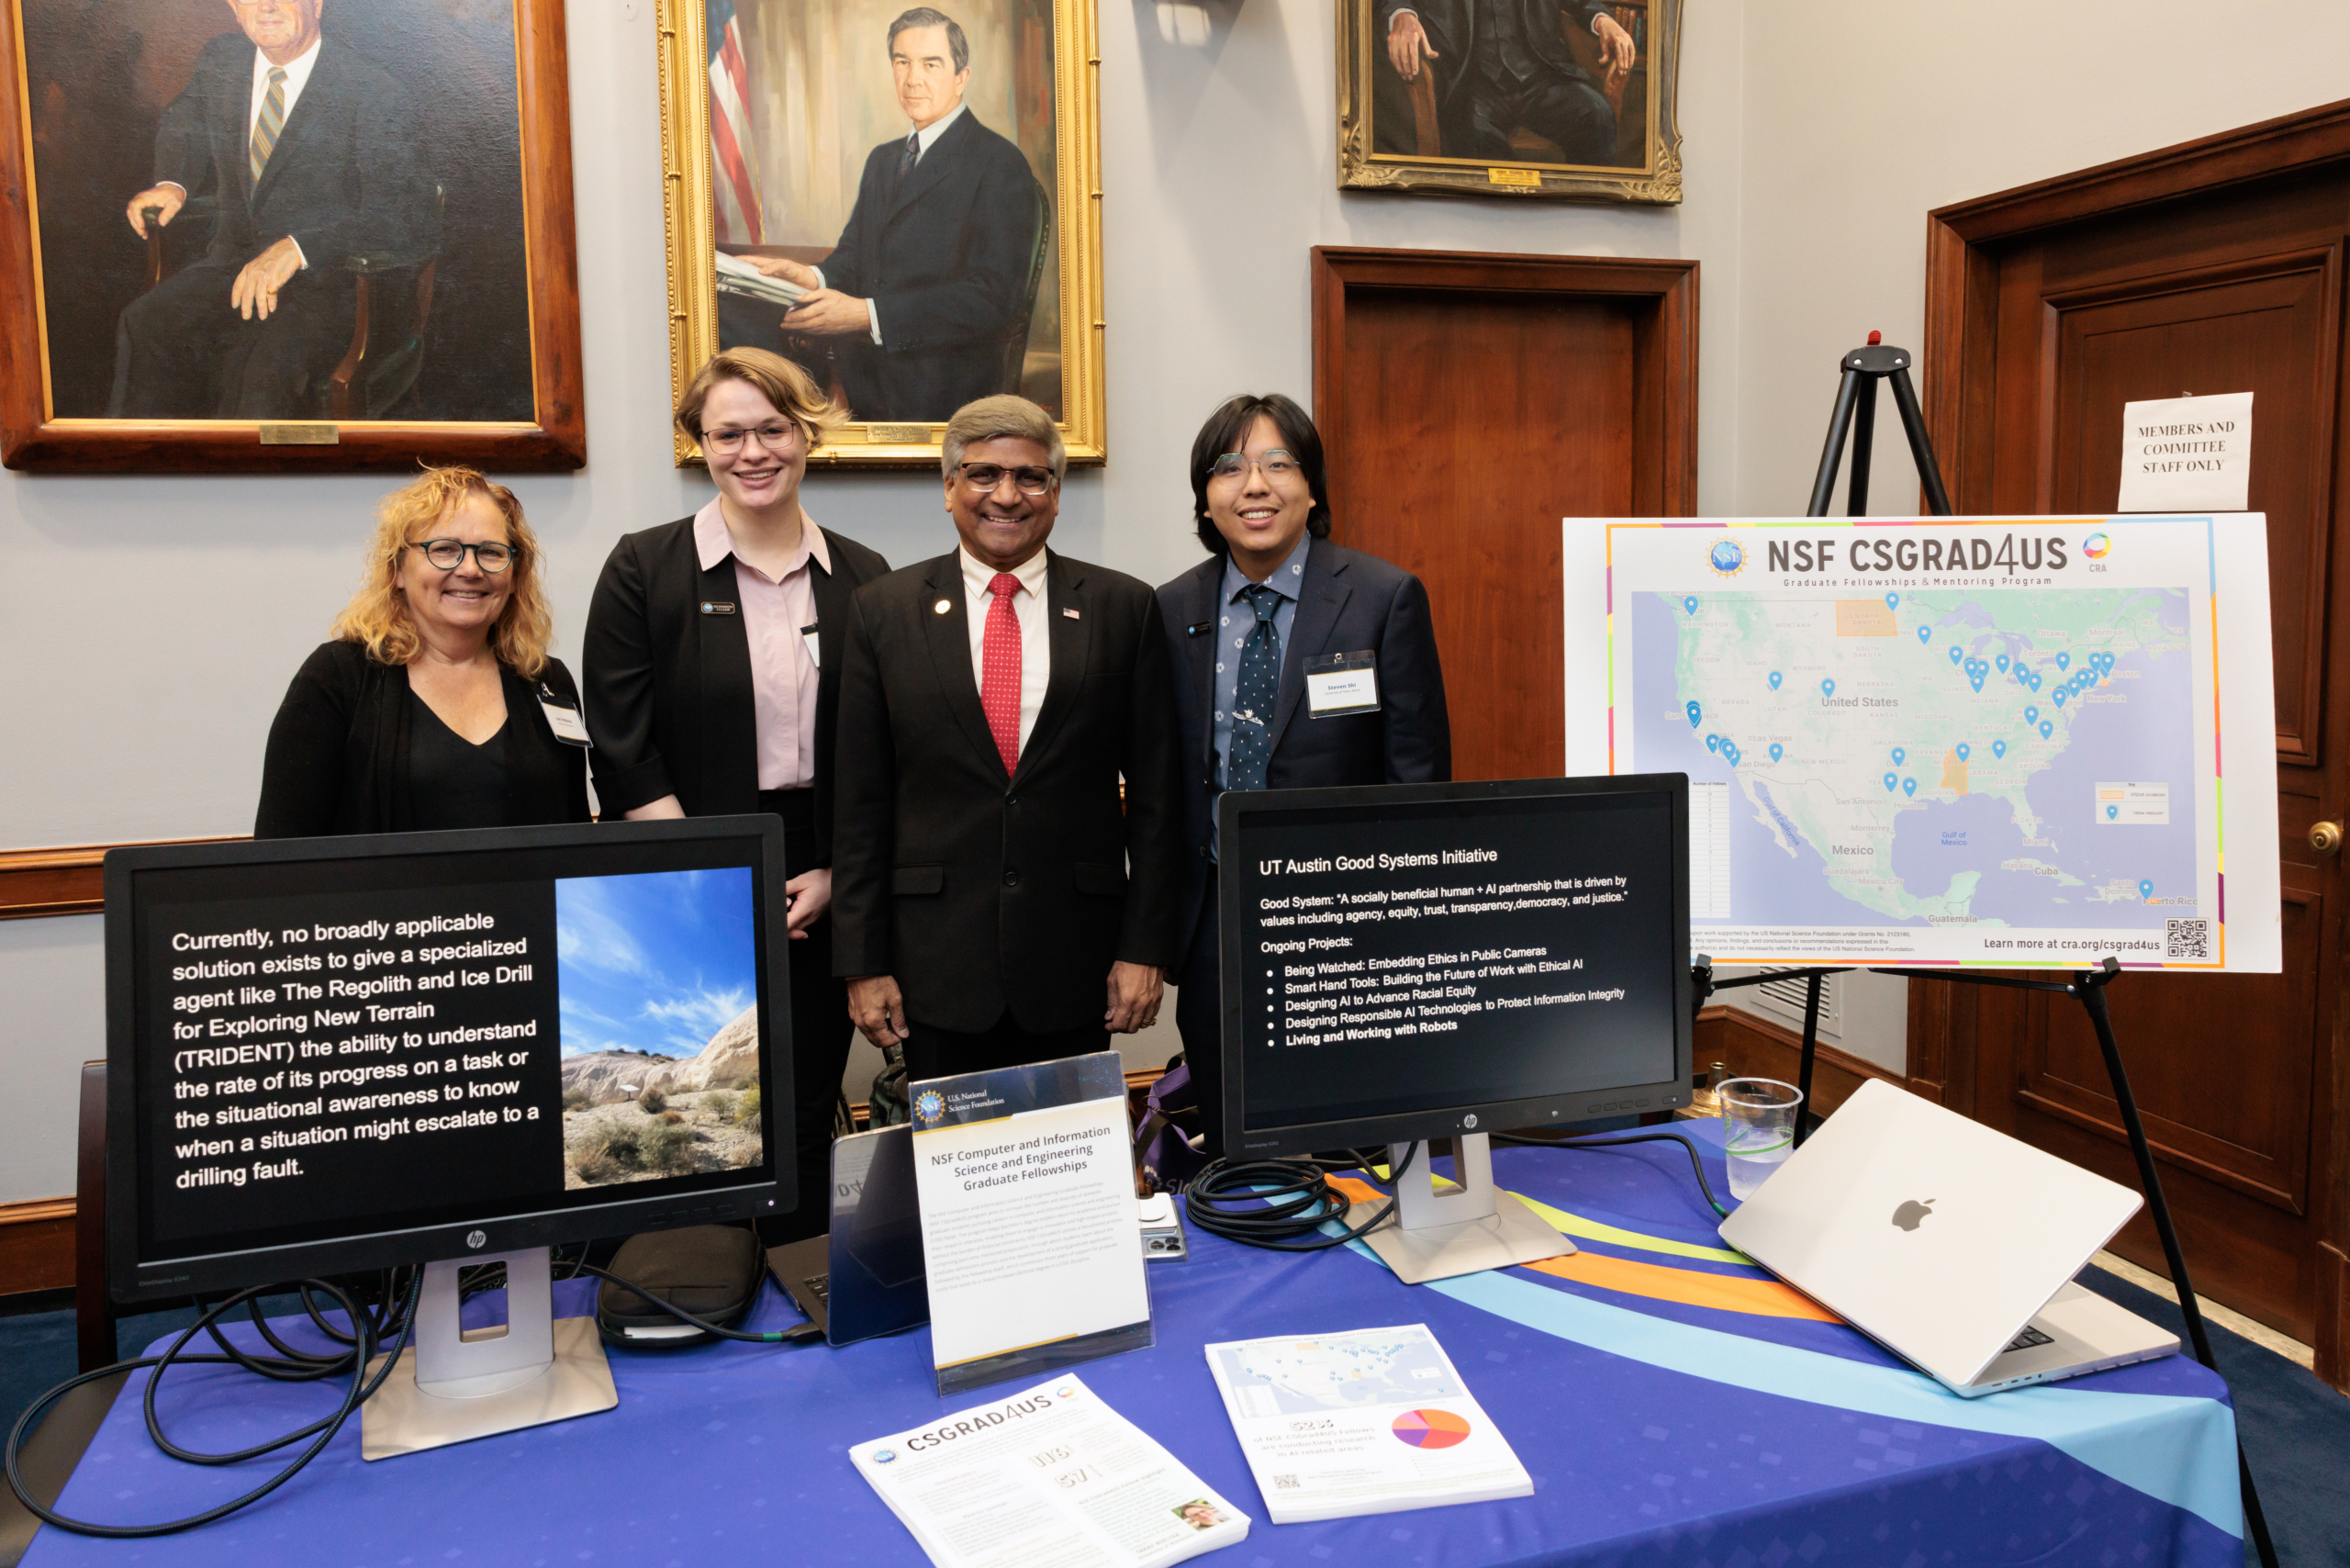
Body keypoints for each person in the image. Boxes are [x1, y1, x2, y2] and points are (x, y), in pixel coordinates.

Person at [582, 348, 891, 1244]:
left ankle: (795, 1284)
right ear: (700, 444)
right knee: (707, 1112)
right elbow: (621, 741)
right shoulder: (645, 568)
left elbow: (888, 747)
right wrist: (719, 878)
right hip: (693, 864)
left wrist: (837, 868)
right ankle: (701, 1282)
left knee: (796, 1100)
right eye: (728, 433)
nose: (752, 450)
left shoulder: (865, 576)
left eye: (772, 428)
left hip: (829, 869)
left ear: (806, 435)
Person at [831, 395, 1183, 1084]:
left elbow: (1156, 800)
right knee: (954, 1176)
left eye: (1030, 477)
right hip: (934, 965)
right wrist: (863, 962)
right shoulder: (883, 611)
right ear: (949, 489)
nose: (1006, 495)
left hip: (1077, 962)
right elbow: (860, 804)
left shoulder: (1123, 607)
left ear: (1056, 494)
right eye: (983, 474)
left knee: (1074, 1177)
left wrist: (1146, 949)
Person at [1157, 394, 1450, 1153]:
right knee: (1233, 1133)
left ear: (1312, 487)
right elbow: (1162, 786)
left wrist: (1404, 926)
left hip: (1344, 919)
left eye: (1277, 464)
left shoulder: (1382, 600)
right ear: (1206, 497)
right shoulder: (1167, 609)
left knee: (1345, 1137)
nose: (1253, 485)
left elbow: (1418, 782)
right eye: (1229, 468)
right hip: (1215, 917)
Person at [111, 0, 431, 418]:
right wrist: (173, 183)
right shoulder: (222, 59)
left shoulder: (373, 89)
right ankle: (138, 471)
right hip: (232, 268)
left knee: (262, 371)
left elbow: (402, 213)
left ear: (316, 4)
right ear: (234, 8)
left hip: (334, 287)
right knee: (145, 324)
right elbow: (185, 117)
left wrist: (297, 249)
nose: (267, 6)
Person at [724, 6, 1038, 423]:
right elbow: (854, 257)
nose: (913, 79)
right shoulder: (883, 160)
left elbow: (992, 299)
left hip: (942, 384)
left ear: (962, 77)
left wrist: (866, 314)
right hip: (859, 370)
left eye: (931, 64)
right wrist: (810, 276)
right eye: (902, 62)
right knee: (737, 315)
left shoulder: (999, 163)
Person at [255, 466, 588, 837]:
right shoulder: (336, 678)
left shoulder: (544, 678)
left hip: (531, 897)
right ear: (397, 569)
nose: (470, 569)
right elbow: (280, 853)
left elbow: (573, 836)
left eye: (492, 553)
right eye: (444, 549)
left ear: (514, 576)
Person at [1378, 0, 1635, 166]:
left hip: (1541, 77)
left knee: (1597, 115)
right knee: (1482, 150)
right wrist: (1403, 14)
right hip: (1471, 86)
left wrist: (1604, 20)